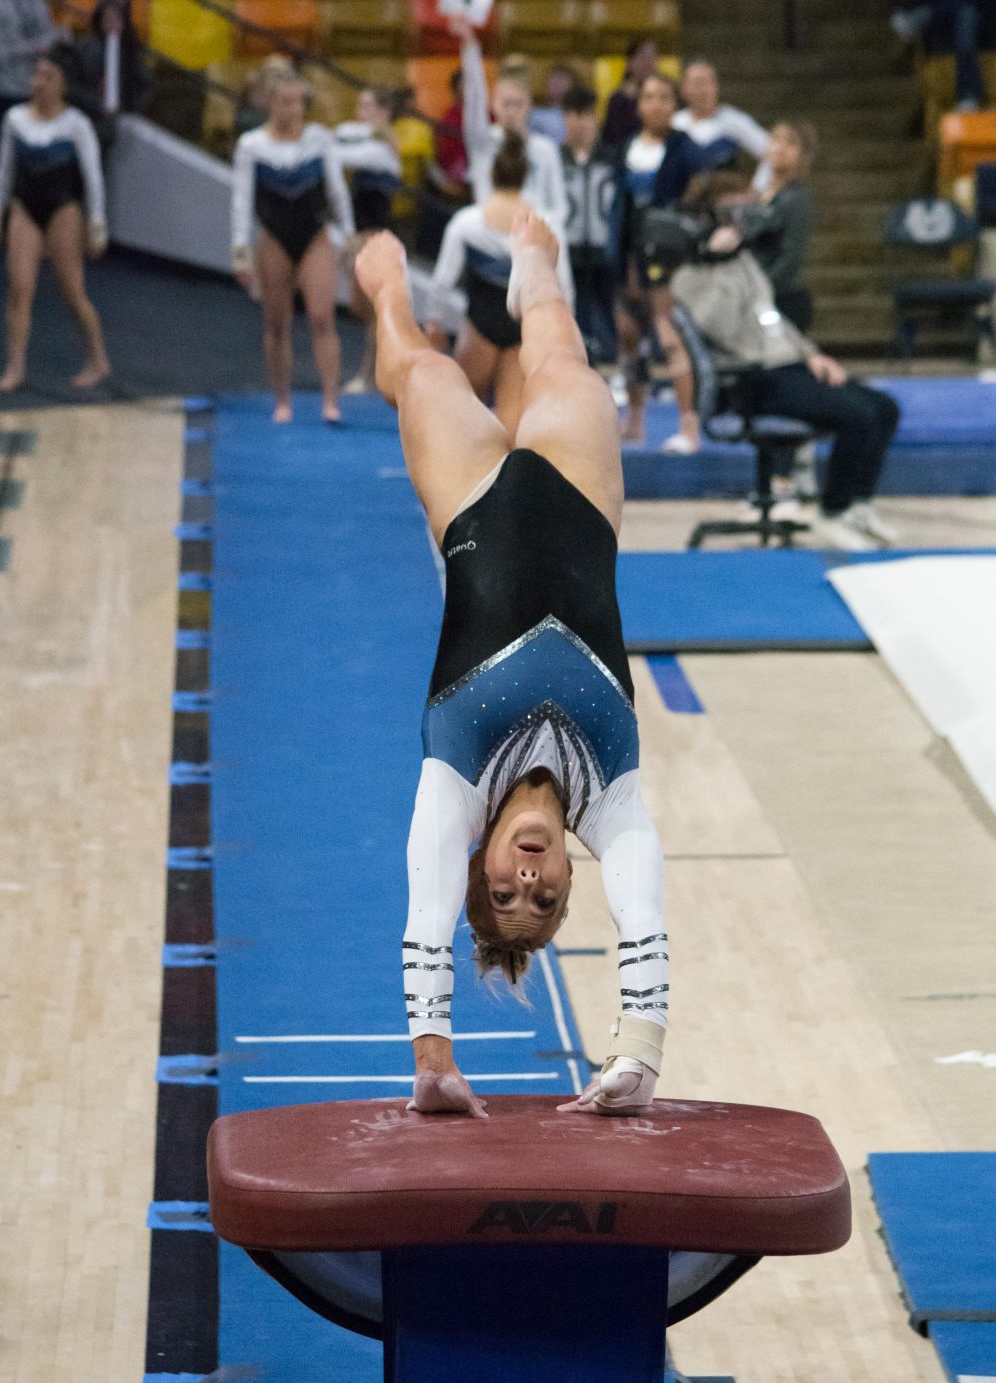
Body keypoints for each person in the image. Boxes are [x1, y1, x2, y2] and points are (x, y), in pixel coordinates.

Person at [354, 213, 670, 1121]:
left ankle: (386, 292)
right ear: (576, 878)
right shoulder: (610, 797)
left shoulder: (456, 781)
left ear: (478, 865)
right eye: (544, 896)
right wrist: (638, 1055)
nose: (526, 880)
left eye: (501, 893)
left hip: (472, 507)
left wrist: (433, 1057)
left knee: (423, 368)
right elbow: (644, 909)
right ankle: (535, 260)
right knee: (561, 354)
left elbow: (423, 918)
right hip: (579, 493)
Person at [669, 223, 901, 547]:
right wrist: (720, 264)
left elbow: (770, 316)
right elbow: (720, 325)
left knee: (885, 408)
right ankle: (832, 512)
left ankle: (856, 507)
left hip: (789, 366)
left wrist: (812, 354)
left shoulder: (745, 262)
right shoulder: (688, 279)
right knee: (858, 417)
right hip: (752, 380)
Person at [424, 130, 571, 436]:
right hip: (523, 327)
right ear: (525, 176)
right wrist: (566, 329)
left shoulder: (467, 222)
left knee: (463, 420)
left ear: (491, 174)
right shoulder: (543, 223)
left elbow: (442, 282)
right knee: (512, 425)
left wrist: (433, 321)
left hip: (480, 323)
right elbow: (563, 285)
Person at [0, 44, 110, 392]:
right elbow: (4, 171)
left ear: (63, 84)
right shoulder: (16, 119)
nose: (37, 82)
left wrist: (97, 225)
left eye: (47, 76)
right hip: (25, 208)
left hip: (63, 210)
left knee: (72, 293)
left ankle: (97, 358)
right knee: (19, 289)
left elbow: (93, 177)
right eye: (36, 74)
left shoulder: (76, 125)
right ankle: (15, 366)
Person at [232, 71, 354, 424]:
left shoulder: (320, 139)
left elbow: (336, 191)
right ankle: (282, 400)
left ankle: (331, 400)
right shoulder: (252, 145)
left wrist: (348, 235)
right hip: (274, 238)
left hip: (314, 235)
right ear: (270, 104)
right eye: (286, 101)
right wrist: (240, 249)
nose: (294, 108)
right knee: (276, 324)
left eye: (299, 101)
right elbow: (241, 200)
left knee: (322, 317)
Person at [612, 71, 702, 452]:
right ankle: (635, 420)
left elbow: (698, 197)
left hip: (669, 259)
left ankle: (688, 424)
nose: (656, 104)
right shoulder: (626, 147)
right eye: (649, 97)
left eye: (665, 97)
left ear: (675, 104)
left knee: (669, 336)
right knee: (630, 337)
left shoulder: (685, 148)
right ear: (639, 105)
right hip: (630, 255)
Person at [454, 16, 567, 231]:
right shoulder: (483, 141)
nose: (512, 111)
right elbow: (474, 96)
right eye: (506, 104)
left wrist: (542, 235)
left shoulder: (545, 149)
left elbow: (559, 206)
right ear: (495, 106)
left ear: (529, 106)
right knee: (459, 227)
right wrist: (470, 48)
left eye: (518, 104)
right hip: (489, 238)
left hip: (533, 238)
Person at [333, 85, 402, 392]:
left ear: (385, 113)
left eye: (368, 108)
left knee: (373, 310)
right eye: (359, 107)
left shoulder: (380, 152)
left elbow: (334, 153)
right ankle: (375, 371)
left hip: (375, 236)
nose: (360, 115)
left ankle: (370, 374)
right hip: (363, 235)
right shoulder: (371, 141)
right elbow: (341, 134)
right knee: (361, 308)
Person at [560, 82, 619, 363]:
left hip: (604, 250)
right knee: (571, 314)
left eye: (586, 115)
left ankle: (610, 362)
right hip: (567, 249)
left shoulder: (613, 159)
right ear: (565, 119)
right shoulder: (555, 160)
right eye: (574, 115)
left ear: (596, 118)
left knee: (608, 312)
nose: (581, 123)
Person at [0, 0, 58, 204]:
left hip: (33, 95)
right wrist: (28, 49)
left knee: (28, 162)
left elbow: (48, 41)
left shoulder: (40, 7)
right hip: (1, 94)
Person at [744, 120, 816, 333]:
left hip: (780, 298)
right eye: (775, 139)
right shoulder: (757, 196)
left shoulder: (796, 200)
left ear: (803, 155)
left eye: (791, 142)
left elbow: (790, 258)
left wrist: (759, 289)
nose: (780, 147)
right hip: (752, 294)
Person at [671, 58, 771, 191]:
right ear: (684, 89)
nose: (704, 90)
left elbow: (772, 151)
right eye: (698, 83)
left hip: (722, 201)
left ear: (717, 86)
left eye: (709, 82)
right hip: (681, 201)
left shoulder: (733, 120)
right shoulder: (675, 122)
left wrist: (758, 188)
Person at [601, 36, 659, 150]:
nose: (648, 62)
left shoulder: (666, 97)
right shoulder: (617, 100)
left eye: (652, 57)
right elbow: (611, 140)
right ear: (629, 61)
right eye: (643, 57)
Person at [527, 61, 578, 145]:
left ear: (572, 84)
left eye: (561, 79)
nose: (557, 84)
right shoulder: (534, 114)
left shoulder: (578, 114)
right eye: (553, 79)